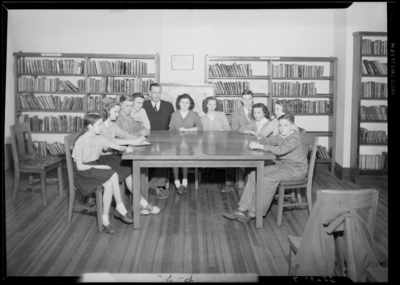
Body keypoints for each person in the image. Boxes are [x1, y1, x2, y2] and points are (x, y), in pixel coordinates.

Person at [223, 113, 308, 223]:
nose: (282, 128)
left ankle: (253, 213)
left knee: (267, 180)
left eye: (285, 125)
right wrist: (255, 142)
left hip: (296, 170)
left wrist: (259, 146)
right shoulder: (282, 135)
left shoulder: (294, 137)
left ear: (292, 126)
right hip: (283, 166)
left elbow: (280, 150)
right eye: (280, 125)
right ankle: (242, 209)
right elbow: (269, 140)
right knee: (255, 174)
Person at [72, 114, 133, 234]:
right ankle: (120, 207)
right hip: (83, 172)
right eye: (99, 124)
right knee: (113, 174)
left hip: (94, 168)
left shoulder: (98, 137)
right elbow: (79, 166)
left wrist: (128, 148)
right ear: (90, 126)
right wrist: (100, 166)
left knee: (109, 185)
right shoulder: (81, 141)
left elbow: (115, 146)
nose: (101, 126)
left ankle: (105, 220)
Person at [100, 102, 161, 215]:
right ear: (107, 111)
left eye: (118, 112)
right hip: (103, 158)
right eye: (115, 112)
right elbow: (112, 141)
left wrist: (139, 139)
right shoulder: (101, 126)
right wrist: (133, 141)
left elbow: (123, 134)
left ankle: (140, 202)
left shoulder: (112, 124)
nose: (118, 114)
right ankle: (142, 203)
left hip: (111, 156)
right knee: (128, 169)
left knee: (129, 169)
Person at [142, 83, 175, 197]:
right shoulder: (143, 105)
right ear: (149, 93)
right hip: (146, 139)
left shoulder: (168, 106)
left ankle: (154, 186)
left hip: (164, 139)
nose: (157, 95)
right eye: (154, 92)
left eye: (159, 92)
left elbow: (172, 123)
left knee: (164, 158)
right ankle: (146, 186)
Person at [169, 93, 204, 195]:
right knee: (175, 156)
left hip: (190, 144)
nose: (184, 104)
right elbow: (171, 129)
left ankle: (184, 181)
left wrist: (187, 130)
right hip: (176, 143)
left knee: (185, 156)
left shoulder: (194, 114)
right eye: (182, 102)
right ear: (179, 103)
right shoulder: (174, 115)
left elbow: (200, 128)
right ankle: (177, 182)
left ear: (190, 104)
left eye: (187, 102)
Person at [224, 89, 255, 193]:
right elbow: (234, 131)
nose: (247, 102)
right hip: (242, 141)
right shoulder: (236, 113)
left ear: (253, 99)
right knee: (230, 152)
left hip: (258, 140)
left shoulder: (259, 110)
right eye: (245, 99)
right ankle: (229, 182)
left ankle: (254, 184)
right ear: (241, 100)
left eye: (249, 99)